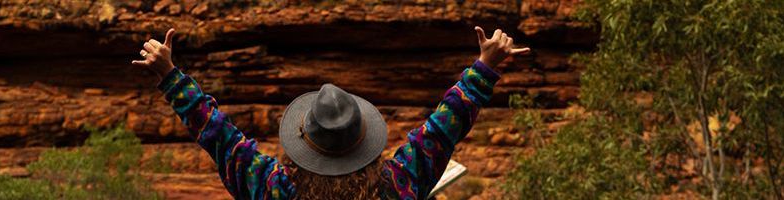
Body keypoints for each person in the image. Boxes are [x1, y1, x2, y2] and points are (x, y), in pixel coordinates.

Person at [133, 26, 530, 200]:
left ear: (303, 143)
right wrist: (484, 68)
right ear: (365, 142)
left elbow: (220, 137)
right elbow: (444, 128)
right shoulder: (397, 185)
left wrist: (171, 76)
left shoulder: (272, 189)